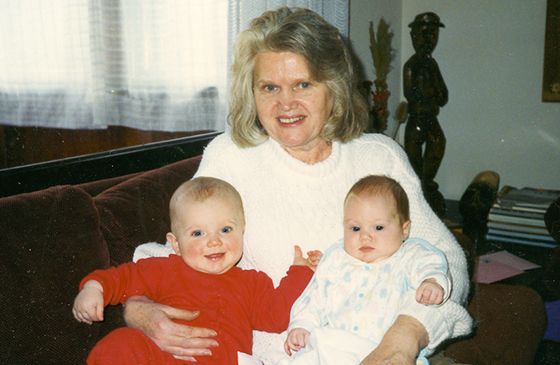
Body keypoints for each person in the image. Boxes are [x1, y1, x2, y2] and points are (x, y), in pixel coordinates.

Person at [125, 7, 472, 365]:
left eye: (303, 84)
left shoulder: (379, 158)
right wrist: (139, 306)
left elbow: (447, 261)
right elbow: (184, 245)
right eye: (269, 87)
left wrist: (403, 339)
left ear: (333, 87)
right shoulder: (231, 158)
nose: (285, 104)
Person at [72, 177, 321, 364]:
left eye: (225, 230)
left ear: (242, 231)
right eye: (198, 233)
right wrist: (94, 287)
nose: (214, 241)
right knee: (120, 344)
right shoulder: (163, 269)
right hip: (167, 359)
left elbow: (276, 316)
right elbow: (121, 278)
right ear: (176, 244)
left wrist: (300, 273)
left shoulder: (251, 282)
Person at [282, 175, 451, 365]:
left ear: (404, 229)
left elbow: (432, 265)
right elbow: (314, 298)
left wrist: (432, 282)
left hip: (382, 350)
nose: (365, 237)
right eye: (355, 228)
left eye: (378, 227)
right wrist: (302, 325)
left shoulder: (409, 256)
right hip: (334, 346)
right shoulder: (337, 261)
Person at [403, 12, 448, 217]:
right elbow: (410, 92)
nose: (429, 39)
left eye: (433, 34)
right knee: (413, 155)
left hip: (431, 118)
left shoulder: (432, 64)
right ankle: (418, 188)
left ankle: (426, 183)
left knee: (438, 141)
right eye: (424, 34)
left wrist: (433, 92)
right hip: (417, 119)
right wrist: (430, 94)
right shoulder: (411, 65)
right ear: (413, 36)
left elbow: (443, 96)